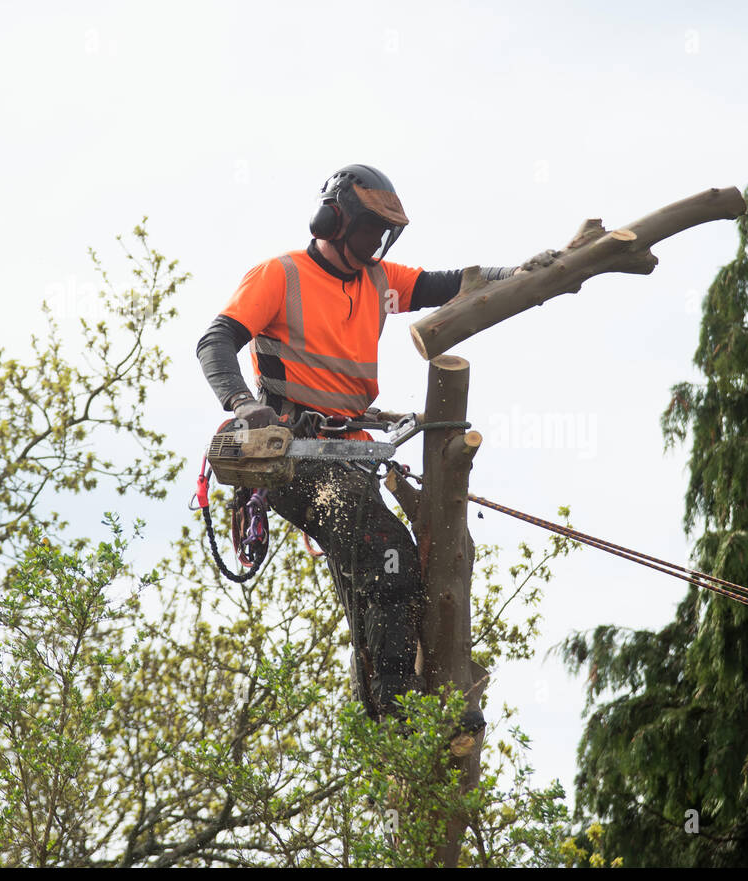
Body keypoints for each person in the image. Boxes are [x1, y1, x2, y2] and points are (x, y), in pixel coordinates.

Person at [196, 163, 519, 731]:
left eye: (384, 234)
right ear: (333, 218)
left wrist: (520, 271)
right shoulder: (282, 274)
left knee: (383, 573)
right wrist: (244, 405)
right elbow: (215, 340)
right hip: (293, 455)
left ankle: (389, 705)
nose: (377, 244)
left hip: (350, 457)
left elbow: (451, 283)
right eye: (369, 229)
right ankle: (397, 721)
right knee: (388, 560)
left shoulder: (377, 282)